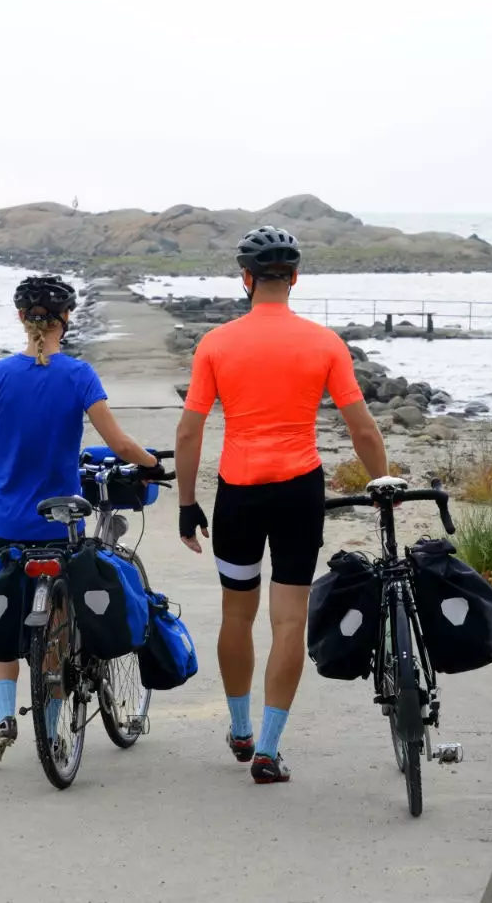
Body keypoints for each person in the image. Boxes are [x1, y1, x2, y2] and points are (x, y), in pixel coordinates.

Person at [174, 226, 389, 783]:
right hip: (299, 491)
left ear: (245, 279)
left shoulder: (217, 343)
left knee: (236, 613)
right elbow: (362, 429)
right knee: (289, 619)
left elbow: (190, 433)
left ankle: (240, 729)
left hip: (238, 492)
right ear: (294, 278)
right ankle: (268, 749)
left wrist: (186, 502)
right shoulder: (324, 343)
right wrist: (382, 481)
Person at [0, 274, 164, 764]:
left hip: (7, 520)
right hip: (61, 523)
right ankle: (54, 730)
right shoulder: (79, 375)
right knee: (59, 623)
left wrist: (20, 462)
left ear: (21, 318)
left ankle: (2, 717)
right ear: (67, 320)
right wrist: (151, 464)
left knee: (1, 611)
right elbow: (119, 444)